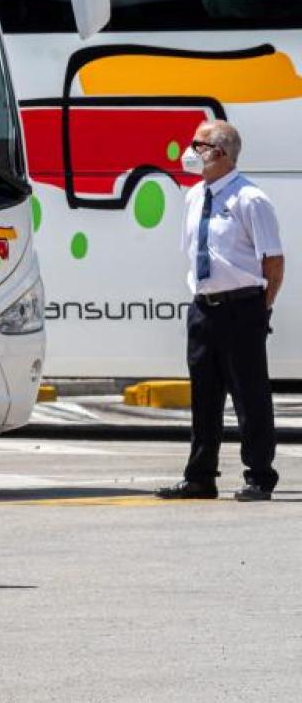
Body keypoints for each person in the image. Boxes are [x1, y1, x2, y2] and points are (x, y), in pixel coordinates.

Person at [157, 120, 285, 503]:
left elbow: (273, 263)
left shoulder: (251, 199)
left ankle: (259, 475)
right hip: (203, 310)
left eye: (198, 144)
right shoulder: (194, 196)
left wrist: (260, 310)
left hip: (242, 308)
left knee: (250, 396)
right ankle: (200, 476)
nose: (190, 150)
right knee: (204, 396)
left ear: (221, 153)